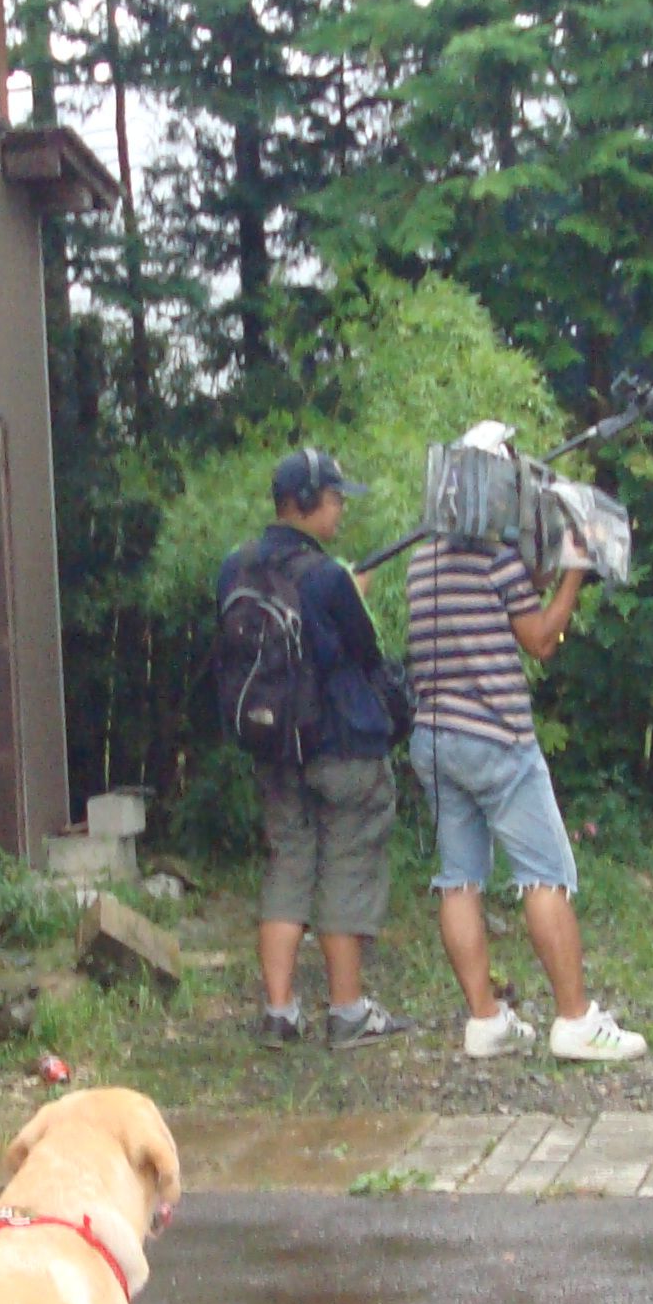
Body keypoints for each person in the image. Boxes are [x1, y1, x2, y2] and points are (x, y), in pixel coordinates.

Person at [403, 427, 646, 1064]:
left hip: (434, 738)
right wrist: (573, 573)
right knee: (546, 873)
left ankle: (485, 1019)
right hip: (499, 740)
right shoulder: (495, 560)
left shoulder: (423, 559)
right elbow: (538, 639)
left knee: (458, 880)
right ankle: (575, 1021)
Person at [218, 447, 409, 1049]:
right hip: (342, 747)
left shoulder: (235, 567)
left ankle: (280, 1011)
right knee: (346, 867)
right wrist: (353, 590)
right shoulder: (327, 577)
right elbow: (365, 651)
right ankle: (347, 1010)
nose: (340, 510)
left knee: (288, 866)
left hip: (274, 747)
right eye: (333, 499)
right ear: (305, 503)